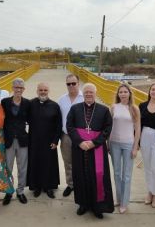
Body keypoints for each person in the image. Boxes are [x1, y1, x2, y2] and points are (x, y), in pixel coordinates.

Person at [67, 83, 114, 219]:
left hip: (97, 147)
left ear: (95, 93)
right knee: (80, 175)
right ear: (83, 93)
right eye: (86, 92)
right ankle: (83, 204)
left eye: (91, 92)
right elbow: (69, 126)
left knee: (97, 175)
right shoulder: (75, 109)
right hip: (79, 147)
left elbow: (107, 129)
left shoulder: (104, 110)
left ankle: (97, 206)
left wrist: (94, 142)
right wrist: (80, 142)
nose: (88, 94)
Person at [109, 84, 141, 214]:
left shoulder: (134, 109)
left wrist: (135, 147)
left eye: (125, 92)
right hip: (114, 143)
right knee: (116, 173)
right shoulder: (113, 107)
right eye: (120, 92)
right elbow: (108, 126)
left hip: (128, 144)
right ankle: (118, 198)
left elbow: (138, 129)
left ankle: (124, 202)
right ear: (118, 94)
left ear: (129, 94)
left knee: (126, 175)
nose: (123, 94)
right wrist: (107, 143)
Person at [27, 82, 62, 199]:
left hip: (49, 141)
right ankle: (36, 187)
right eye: (41, 90)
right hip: (34, 140)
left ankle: (49, 187)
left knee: (49, 164)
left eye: (45, 90)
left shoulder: (55, 106)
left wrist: (55, 141)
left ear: (48, 91)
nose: (43, 92)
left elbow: (59, 125)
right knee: (35, 163)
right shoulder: (30, 104)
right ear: (37, 91)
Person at [1, 78, 31, 205]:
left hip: (22, 139)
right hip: (8, 139)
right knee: (8, 167)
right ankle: (9, 191)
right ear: (12, 88)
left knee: (22, 167)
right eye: (16, 87)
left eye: (21, 88)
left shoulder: (28, 103)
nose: (18, 90)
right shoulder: (5, 102)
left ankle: (20, 191)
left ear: (23, 89)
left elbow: (32, 120)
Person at [58, 74, 84, 197]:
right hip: (66, 136)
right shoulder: (62, 100)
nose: (71, 86)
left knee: (81, 161)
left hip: (81, 136)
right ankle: (71, 184)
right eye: (69, 84)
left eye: (74, 83)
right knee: (68, 161)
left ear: (78, 83)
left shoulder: (85, 98)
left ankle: (81, 184)